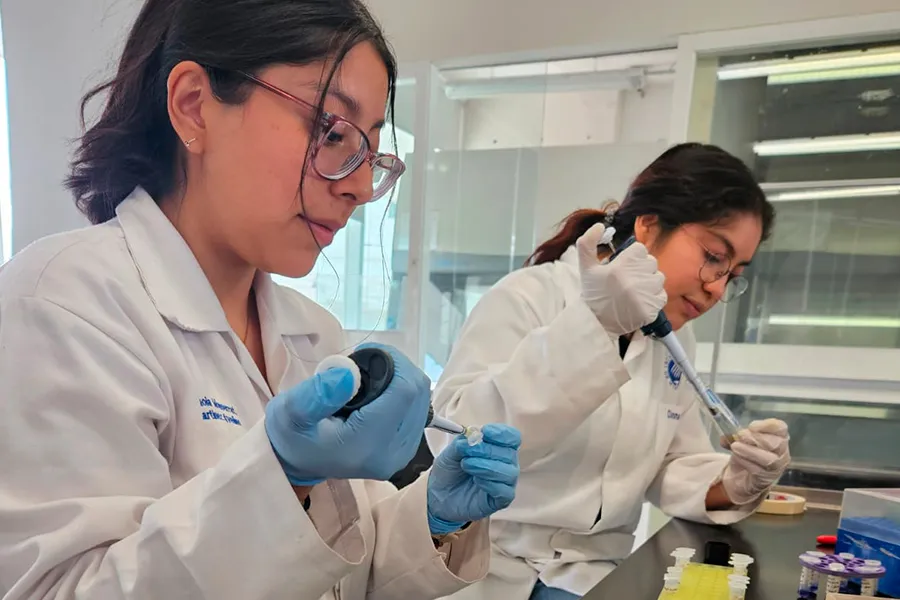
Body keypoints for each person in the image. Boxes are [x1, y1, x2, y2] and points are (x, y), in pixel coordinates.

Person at [0, 1, 523, 599]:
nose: (357, 187)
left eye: (373, 151)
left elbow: (343, 568)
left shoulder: (313, 333)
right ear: (194, 105)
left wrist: (432, 519)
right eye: (332, 133)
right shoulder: (63, 304)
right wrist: (280, 479)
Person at [427, 143, 792, 600]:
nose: (717, 287)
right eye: (714, 257)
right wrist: (593, 328)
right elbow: (453, 436)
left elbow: (667, 466)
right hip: (488, 571)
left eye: (734, 274)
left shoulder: (673, 342)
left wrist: (734, 482)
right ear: (649, 225)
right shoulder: (528, 297)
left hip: (595, 577)